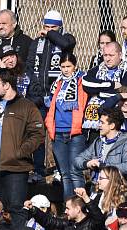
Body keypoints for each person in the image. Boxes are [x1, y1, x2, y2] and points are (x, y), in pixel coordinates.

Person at [0, 68, 43, 216]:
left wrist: (20, 152)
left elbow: (37, 134)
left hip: (15, 167)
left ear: (6, 85)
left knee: (15, 210)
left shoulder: (26, 106)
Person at [44, 53, 87, 198]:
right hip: (58, 132)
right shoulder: (58, 82)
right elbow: (51, 103)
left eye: (69, 66)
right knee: (65, 174)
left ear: (74, 66)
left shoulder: (82, 80)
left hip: (75, 132)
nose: (66, 70)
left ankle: (81, 207)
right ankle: (69, 208)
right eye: (63, 66)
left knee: (76, 172)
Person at [26, 10, 77, 109]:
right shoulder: (37, 42)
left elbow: (65, 44)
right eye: (47, 27)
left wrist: (49, 34)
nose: (49, 30)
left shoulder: (67, 38)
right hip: (38, 95)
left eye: (53, 27)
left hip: (58, 93)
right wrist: (33, 89)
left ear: (60, 27)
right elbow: (30, 65)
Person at [74, 107, 127, 180]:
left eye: (102, 123)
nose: (99, 125)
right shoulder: (98, 142)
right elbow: (77, 160)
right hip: (96, 186)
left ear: (112, 126)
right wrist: (87, 164)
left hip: (114, 187)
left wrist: (103, 165)